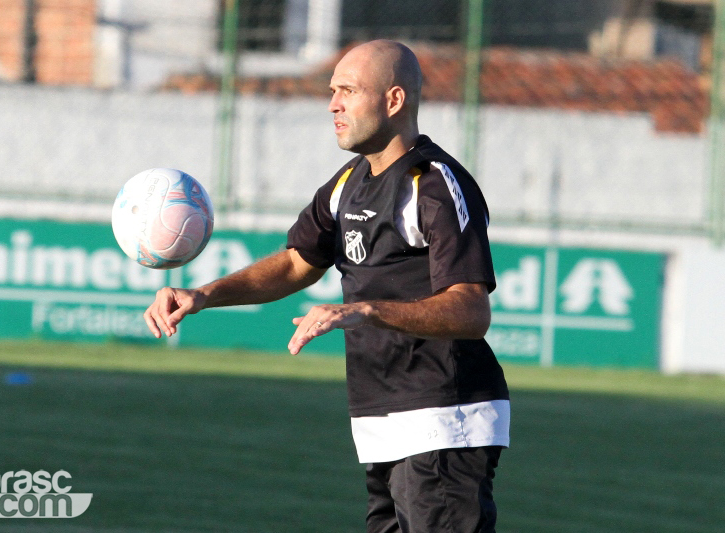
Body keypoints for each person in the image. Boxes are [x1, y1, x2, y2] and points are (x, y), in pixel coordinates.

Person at [144, 39, 510, 533]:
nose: (333, 104)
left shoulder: (436, 184)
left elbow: (471, 311)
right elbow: (298, 263)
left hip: (444, 416)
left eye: (349, 90)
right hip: (382, 420)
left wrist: (365, 310)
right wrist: (204, 295)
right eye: (332, 90)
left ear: (394, 100)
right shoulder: (347, 184)